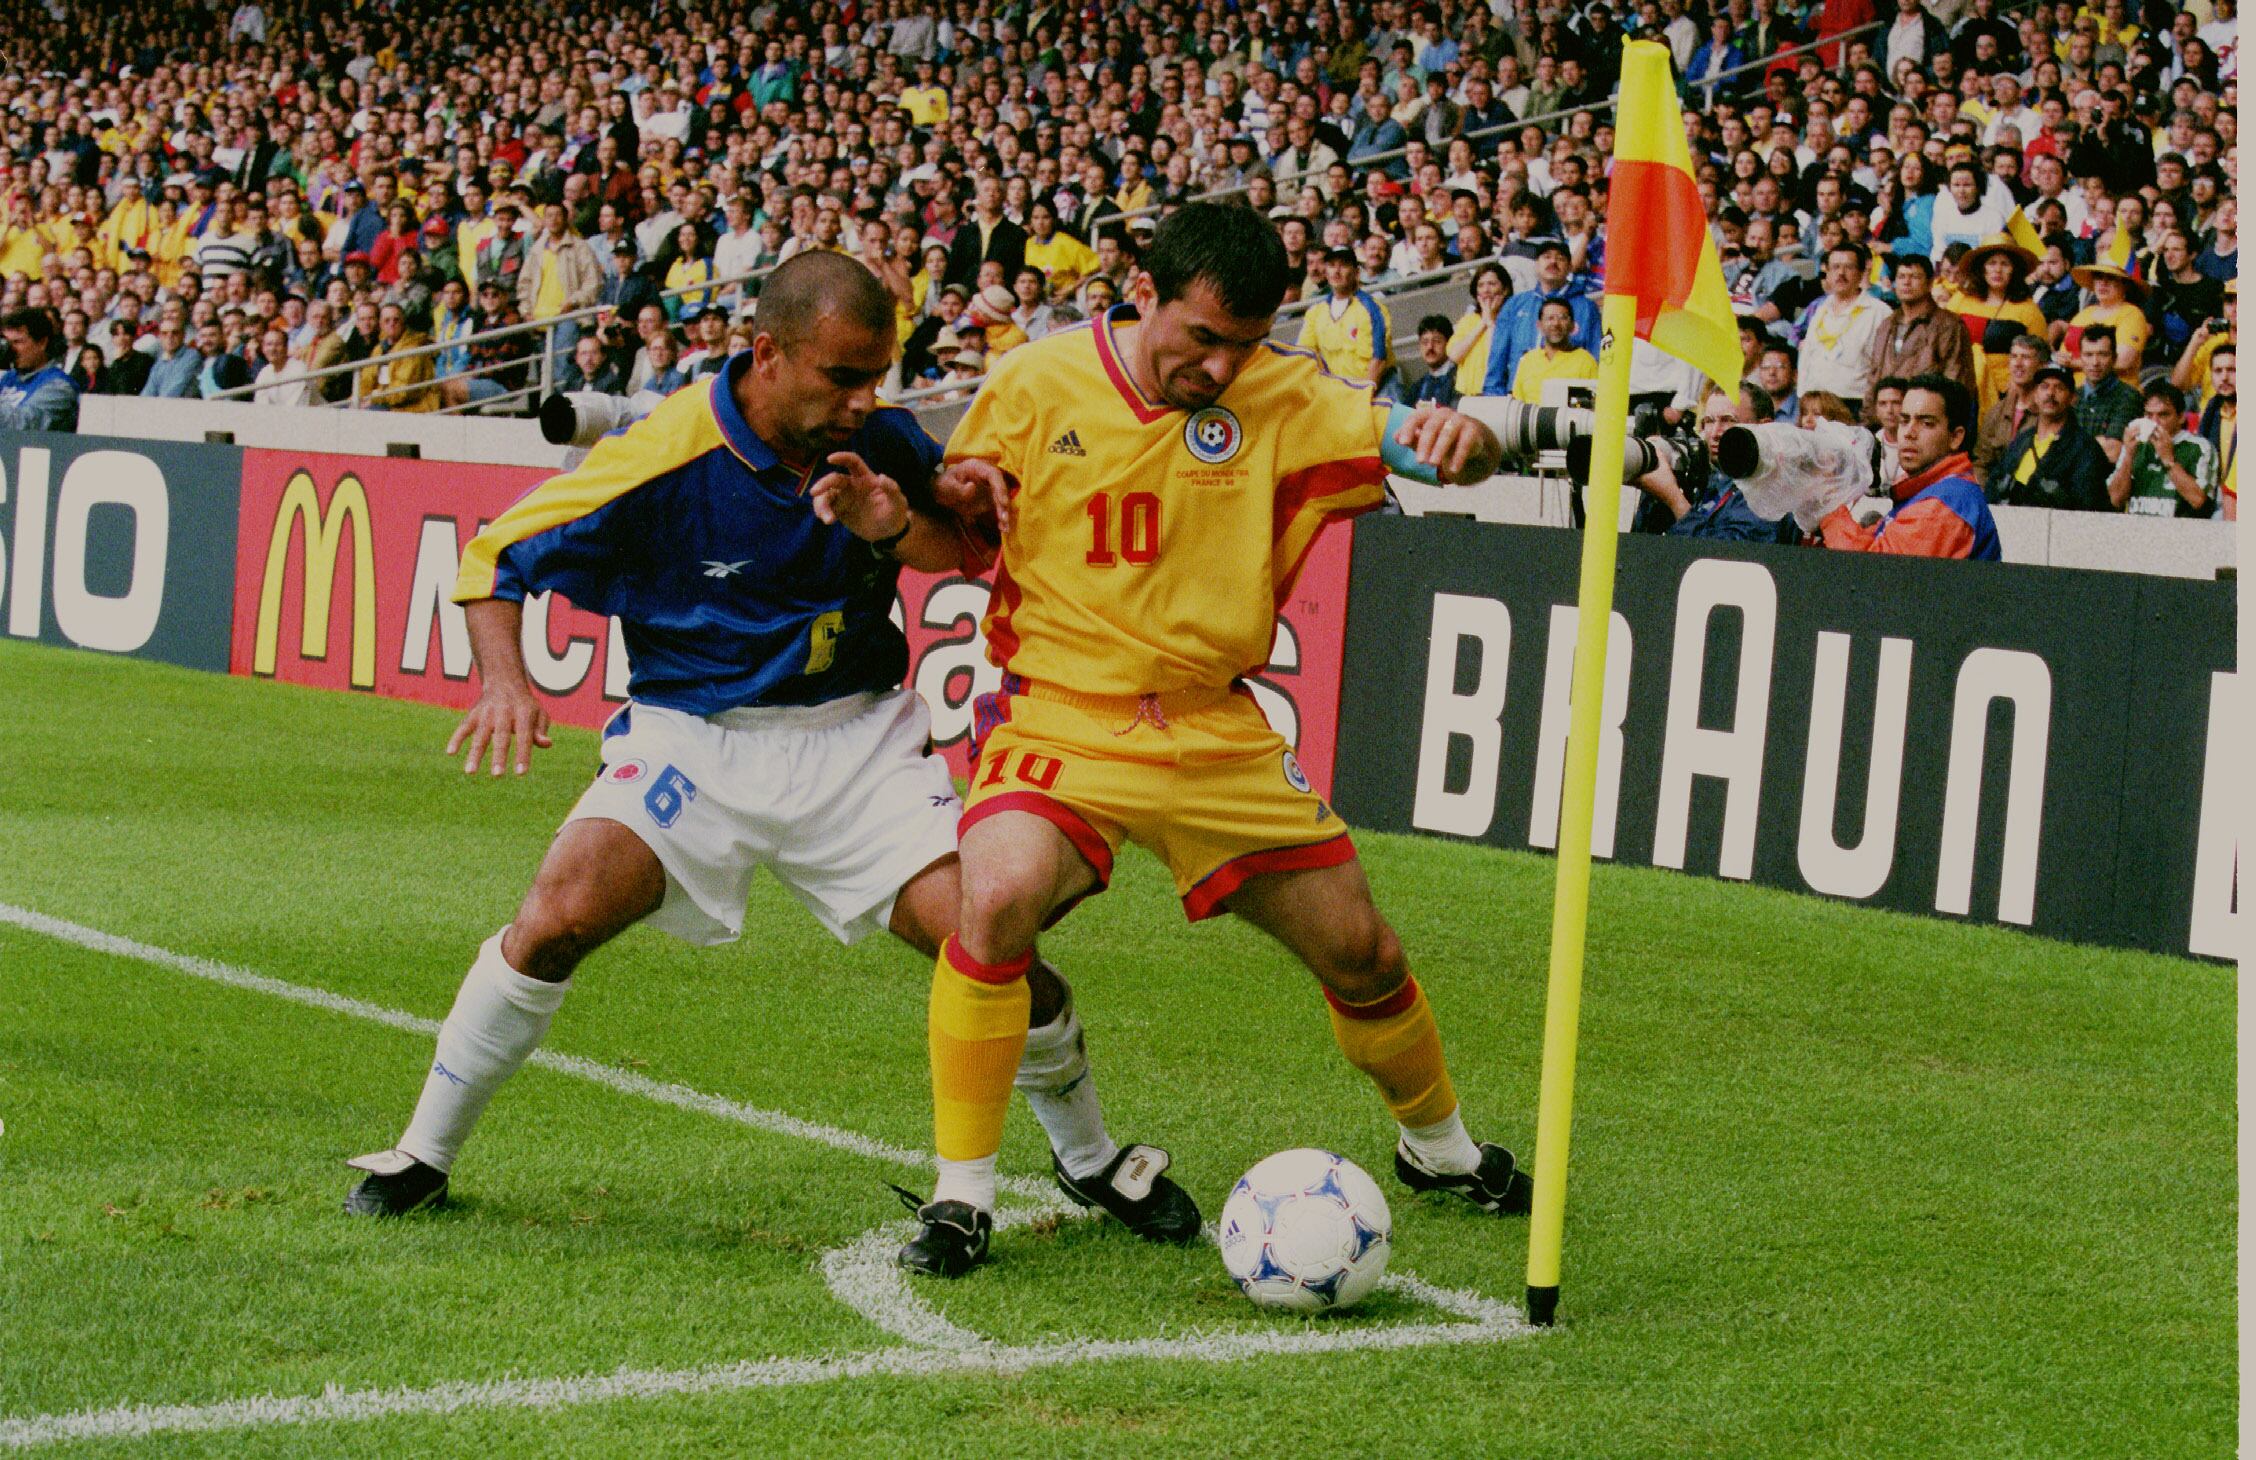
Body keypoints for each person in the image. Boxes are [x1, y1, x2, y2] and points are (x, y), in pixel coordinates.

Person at [344, 254, 1173, 1244]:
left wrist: (896, 515)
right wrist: (506, 681)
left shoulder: (881, 435)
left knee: (987, 939)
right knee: (558, 913)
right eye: (844, 376)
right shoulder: (662, 452)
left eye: (880, 376)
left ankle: (1087, 1156)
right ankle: (422, 1152)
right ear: (768, 354)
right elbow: (492, 559)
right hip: (693, 744)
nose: (867, 399)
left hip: (858, 741)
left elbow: (959, 548)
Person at [900, 201, 1522, 1280]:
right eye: (1202, 336)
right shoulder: (1036, 381)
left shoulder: (1282, 393)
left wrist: (1465, 441)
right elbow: (952, 529)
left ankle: (1441, 1148)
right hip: (1063, 710)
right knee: (991, 901)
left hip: (1216, 728)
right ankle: (963, 1193)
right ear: (1145, 294)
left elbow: (1415, 453)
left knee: (1362, 950)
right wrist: (939, 496)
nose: (1223, 364)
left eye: (1245, 341)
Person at [1817, 374, 2001, 558]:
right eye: (1904, 421)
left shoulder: (1943, 505)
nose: (1909, 433)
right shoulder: (1932, 493)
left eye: (1926, 423)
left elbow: (1867, 572)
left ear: (1955, 437)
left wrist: (1828, 500)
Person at [1479, 237, 1599, 397]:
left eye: (1560, 258)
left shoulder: (1586, 308)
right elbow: (1497, 358)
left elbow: (1596, 356)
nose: (1553, 262)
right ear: (1535, 265)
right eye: (1547, 257)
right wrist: (1493, 396)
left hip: (1569, 400)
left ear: (1570, 267)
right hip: (1519, 400)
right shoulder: (1515, 304)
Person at [1986, 363, 2111, 510]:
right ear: (2035, 396)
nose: (2050, 393)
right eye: (2044, 386)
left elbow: (2089, 510)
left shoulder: (2084, 448)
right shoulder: (2021, 442)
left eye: (2059, 388)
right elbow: (1993, 491)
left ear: (2072, 398)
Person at [1949, 236, 2048, 412]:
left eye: (2005, 264)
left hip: (2005, 393)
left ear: (2014, 270)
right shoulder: (1961, 299)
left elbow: (2041, 358)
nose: (1998, 270)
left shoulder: (2028, 310)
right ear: (1982, 268)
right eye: (1992, 263)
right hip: (1959, 387)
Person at [1794, 242, 1891, 417]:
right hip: (1814, 404)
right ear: (1827, 273)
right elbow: (1807, 357)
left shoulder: (1879, 312)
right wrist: (1802, 397)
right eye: (1835, 267)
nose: (1841, 273)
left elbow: (1884, 367)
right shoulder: (1820, 309)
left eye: (1848, 267)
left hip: (1853, 404)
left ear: (1861, 272)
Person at [1869, 254, 1977, 401]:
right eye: (1901, 277)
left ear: (1930, 283)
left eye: (1914, 277)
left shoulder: (1949, 325)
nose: (1906, 282)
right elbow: (1874, 378)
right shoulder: (1886, 324)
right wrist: (1869, 420)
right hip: (1887, 417)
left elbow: (1956, 382)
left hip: (1926, 417)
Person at [2107, 380, 2219, 516]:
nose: (2154, 422)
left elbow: (2198, 501)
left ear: (2181, 417)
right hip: (2136, 530)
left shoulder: (2199, 447)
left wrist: (2168, 460)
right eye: (2149, 415)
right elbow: (2115, 499)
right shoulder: (2135, 444)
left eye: (2163, 415)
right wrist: (2129, 456)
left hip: (2179, 532)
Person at [1297, 247, 1394, 393]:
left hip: (1372, 391)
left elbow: (1378, 361)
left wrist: (1361, 399)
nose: (1336, 271)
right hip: (1336, 394)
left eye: (1343, 265)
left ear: (1356, 272)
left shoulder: (1372, 309)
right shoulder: (1315, 313)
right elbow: (1303, 356)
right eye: (1331, 265)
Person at [0, 307, 79, 430]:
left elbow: (23, 424)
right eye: (7, 343)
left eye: (17, 342)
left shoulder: (59, 386)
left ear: (42, 342)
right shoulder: (8, 378)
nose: (10, 350)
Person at [1510, 298, 1598, 402]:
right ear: (1539, 325)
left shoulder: (1585, 361)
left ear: (1572, 325)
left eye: (1562, 318)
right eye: (1550, 318)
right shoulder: (1528, 360)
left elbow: (1593, 405)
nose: (1556, 324)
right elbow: (1517, 402)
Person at [1444, 263, 1508, 400]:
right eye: (1481, 285)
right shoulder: (1468, 320)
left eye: (1492, 284)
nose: (1486, 290)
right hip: (1464, 396)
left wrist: (1490, 324)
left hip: (1495, 395)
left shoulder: (1510, 320)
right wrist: (1483, 323)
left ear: (1505, 289)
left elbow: (1495, 358)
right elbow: (1455, 355)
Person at [2199, 345, 2235, 520]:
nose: (2225, 377)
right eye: (2218, 371)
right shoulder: (2211, 412)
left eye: (2232, 370)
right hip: (2217, 497)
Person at [1405, 314, 1461, 407]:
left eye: (1437, 341)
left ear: (1449, 343)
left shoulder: (1461, 379)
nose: (1430, 347)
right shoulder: (1417, 388)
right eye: (1425, 342)